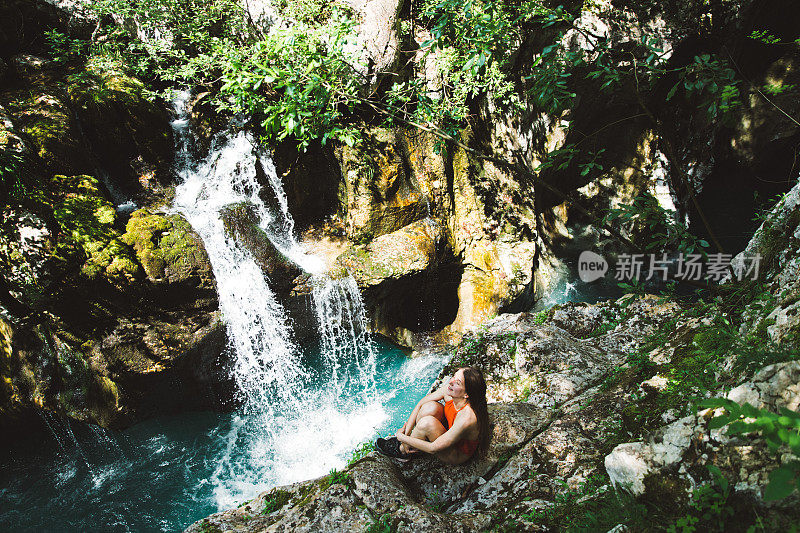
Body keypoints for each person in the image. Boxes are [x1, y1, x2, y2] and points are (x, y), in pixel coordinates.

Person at [376, 367, 490, 464]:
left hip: (457, 452)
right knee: (430, 407)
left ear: (466, 394)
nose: (451, 382)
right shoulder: (450, 390)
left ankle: (402, 452)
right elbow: (421, 404)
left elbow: (433, 448)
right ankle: (411, 443)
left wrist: (401, 437)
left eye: (458, 382)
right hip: (449, 431)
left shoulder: (467, 417)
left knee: (427, 423)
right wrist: (407, 434)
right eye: (454, 376)